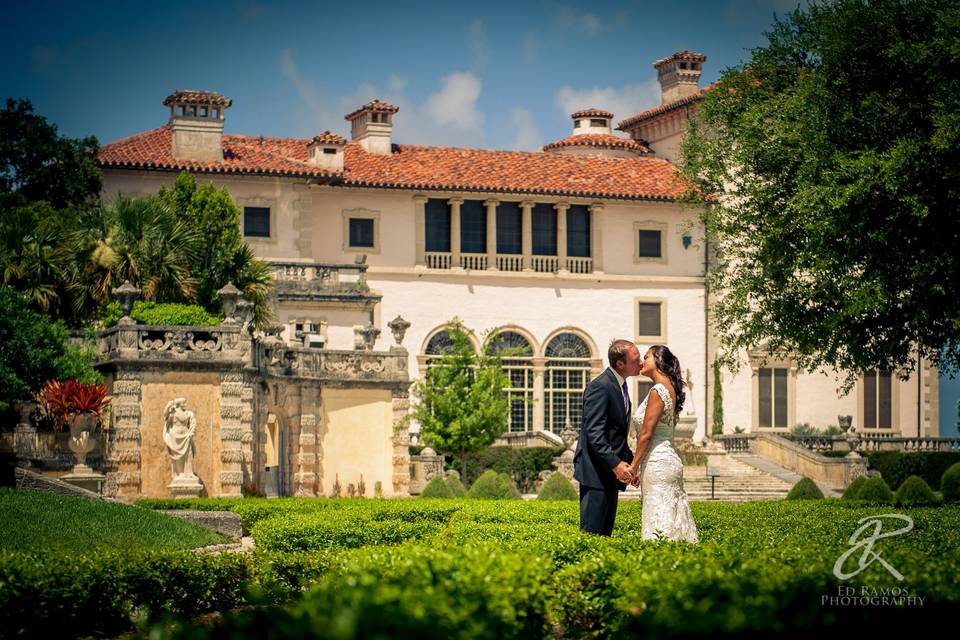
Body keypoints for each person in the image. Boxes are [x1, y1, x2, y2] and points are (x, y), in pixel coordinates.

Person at [629, 345, 699, 543]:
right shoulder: (671, 389)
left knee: (658, 521)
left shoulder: (658, 391)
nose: (642, 362)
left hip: (658, 462)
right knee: (670, 517)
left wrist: (633, 467)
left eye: (646, 357)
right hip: (666, 460)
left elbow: (646, 434)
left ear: (659, 360)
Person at [573, 339, 641, 535]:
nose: (640, 363)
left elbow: (615, 435)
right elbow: (594, 433)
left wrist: (629, 465)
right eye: (636, 360)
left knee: (605, 537)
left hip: (609, 475)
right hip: (596, 474)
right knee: (592, 536)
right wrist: (616, 464)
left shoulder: (620, 386)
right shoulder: (600, 387)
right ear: (620, 364)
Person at [163, 397, 198, 479]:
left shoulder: (189, 414)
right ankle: (180, 473)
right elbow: (165, 415)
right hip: (175, 436)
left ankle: (189, 472)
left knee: (188, 453)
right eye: (184, 403)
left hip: (186, 435)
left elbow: (193, 424)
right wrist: (168, 405)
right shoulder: (173, 413)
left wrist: (191, 433)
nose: (185, 405)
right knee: (178, 456)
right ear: (179, 404)